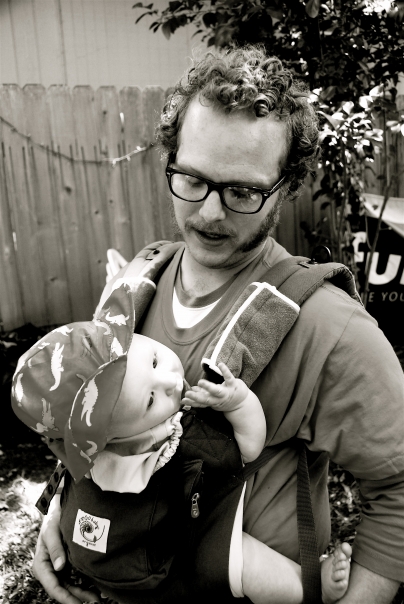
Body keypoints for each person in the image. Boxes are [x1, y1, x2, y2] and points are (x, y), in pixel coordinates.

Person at [31, 45, 404, 604]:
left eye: (242, 191)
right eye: (191, 179)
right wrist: (59, 512)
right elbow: (96, 424)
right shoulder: (137, 282)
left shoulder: (329, 327)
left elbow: (398, 488)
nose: (209, 213)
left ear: (286, 186)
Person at [12, 280, 350, 604]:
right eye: (150, 399)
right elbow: (248, 448)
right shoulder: (170, 440)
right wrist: (238, 402)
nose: (171, 381)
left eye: (154, 361)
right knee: (242, 558)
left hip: (93, 559)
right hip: (162, 566)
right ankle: (310, 587)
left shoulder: (92, 452)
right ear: (114, 439)